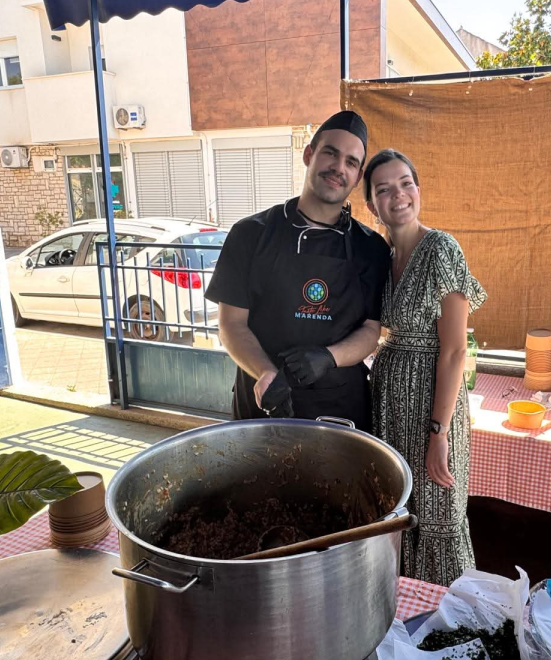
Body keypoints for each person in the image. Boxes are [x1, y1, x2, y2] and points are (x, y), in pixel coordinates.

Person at [205, 111, 390, 432]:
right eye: (330, 153)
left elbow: (371, 331)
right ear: (309, 154)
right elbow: (231, 325)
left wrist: (328, 357)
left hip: (339, 409)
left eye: (350, 162)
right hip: (262, 402)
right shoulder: (250, 233)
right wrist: (265, 372)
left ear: (358, 177)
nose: (338, 168)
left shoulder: (370, 247)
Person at [364, 149, 487, 586]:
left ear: (418, 189)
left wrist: (438, 433)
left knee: (439, 520)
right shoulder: (383, 256)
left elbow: (454, 351)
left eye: (405, 183)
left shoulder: (441, 249)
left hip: (432, 414)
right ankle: (409, 622)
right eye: (384, 189)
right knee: (401, 516)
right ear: (371, 205)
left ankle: (454, 628)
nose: (398, 195)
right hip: (391, 408)